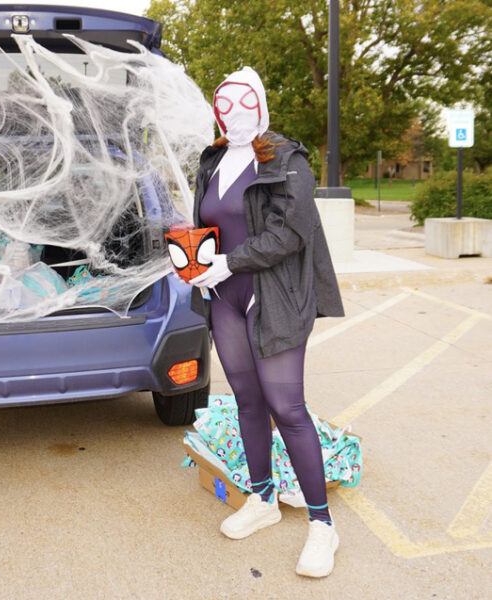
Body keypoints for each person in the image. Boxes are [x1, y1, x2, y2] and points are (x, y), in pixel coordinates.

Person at [189, 67, 345, 578]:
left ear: (260, 104)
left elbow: (292, 230)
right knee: (248, 401)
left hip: (271, 296)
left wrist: (230, 262)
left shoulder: (286, 157)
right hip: (223, 295)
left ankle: (323, 525)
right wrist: (196, 263)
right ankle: (262, 499)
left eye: (242, 102)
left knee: (287, 406)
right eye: (223, 104)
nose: (231, 112)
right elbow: (209, 223)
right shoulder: (212, 159)